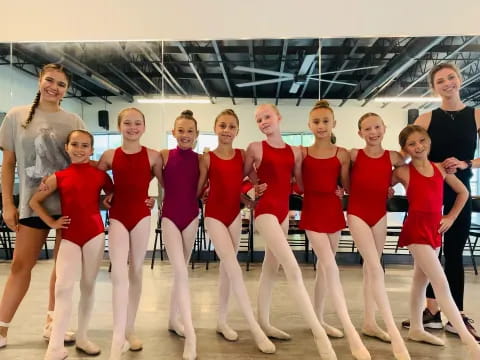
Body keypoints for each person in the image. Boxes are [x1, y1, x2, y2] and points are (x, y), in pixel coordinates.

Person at [0, 63, 85, 348]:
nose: (54, 87)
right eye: (50, 80)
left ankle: (54, 325)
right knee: (20, 266)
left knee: (63, 271)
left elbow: (83, 164)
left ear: (67, 90)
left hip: (68, 205)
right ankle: (1, 329)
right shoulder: (16, 116)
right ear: (40, 81)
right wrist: (8, 205)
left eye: (61, 84)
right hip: (31, 205)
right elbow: (8, 164)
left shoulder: (73, 121)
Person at [244, 104, 336, 360]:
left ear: (278, 117)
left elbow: (301, 184)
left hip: (284, 212)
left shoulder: (294, 151)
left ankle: (264, 321)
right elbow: (239, 175)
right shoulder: (255, 147)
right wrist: (251, 192)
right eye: (259, 119)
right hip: (265, 212)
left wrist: (333, 189)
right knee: (292, 267)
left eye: (267, 117)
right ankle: (319, 335)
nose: (263, 122)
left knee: (270, 268)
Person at [406, 63, 480, 341]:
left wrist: (465, 163)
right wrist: (435, 165)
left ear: (459, 80)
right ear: (433, 88)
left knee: (454, 253)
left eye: (451, 78)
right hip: (430, 193)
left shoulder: (476, 116)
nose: (447, 83)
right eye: (440, 81)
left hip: (459, 193)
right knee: (429, 254)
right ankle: (432, 311)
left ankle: (456, 314)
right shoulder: (426, 119)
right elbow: (411, 153)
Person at [393, 125, 480, 358]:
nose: (418, 146)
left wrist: (450, 217)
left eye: (422, 141)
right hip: (415, 231)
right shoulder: (403, 171)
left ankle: (416, 328)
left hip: (435, 231)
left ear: (429, 141)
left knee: (420, 282)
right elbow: (380, 184)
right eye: (412, 144)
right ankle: (467, 338)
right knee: (440, 281)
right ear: (405, 149)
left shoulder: (440, 169)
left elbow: (463, 193)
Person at [29, 129, 113, 360]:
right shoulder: (58, 177)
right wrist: (51, 222)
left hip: (94, 234)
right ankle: (55, 346)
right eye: (75, 144)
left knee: (88, 286)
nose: (79, 149)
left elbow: (113, 196)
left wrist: (110, 200)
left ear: (91, 149)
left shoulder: (100, 175)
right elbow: (34, 202)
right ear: (66, 147)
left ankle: (83, 337)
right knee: (63, 287)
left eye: (84, 145)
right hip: (69, 235)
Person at [199, 109, 275, 354]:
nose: (226, 130)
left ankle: (222, 320)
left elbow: (253, 181)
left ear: (237, 131)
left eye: (231, 127)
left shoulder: (242, 155)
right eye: (222, 126)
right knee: (233, 266)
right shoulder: (208, 157)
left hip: (234, 215)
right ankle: (254, 327)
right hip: (214, 216)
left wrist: (251, 197)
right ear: (215, 127)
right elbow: (199, 187)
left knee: (226, 270)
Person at [299, 100, 370, 359]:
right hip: (312, 212)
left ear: (333, 124)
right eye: (316, 122)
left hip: (333, 210)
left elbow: (349, 184)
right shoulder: (302, 152)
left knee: (322, 269)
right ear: (310, 125)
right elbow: (295, 180)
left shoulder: (342, 153)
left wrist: (382, 187)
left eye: (325, 121)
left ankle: (317, 319)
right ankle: (350, 329)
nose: (321, 126)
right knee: (330, 266)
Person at [97, 108, 162, 360]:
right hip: (118, 218)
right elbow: (95, 179)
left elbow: (167, 186)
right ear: (119, 125)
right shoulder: (110, 155)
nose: (132, 127)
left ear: (144, 127)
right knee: (119, 274)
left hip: (141, 217)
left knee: (136, 271)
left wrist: (156, 202)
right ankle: (118, 332)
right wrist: (106, 196)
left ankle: (129, 328)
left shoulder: (154, 156)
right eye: (127, 123)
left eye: (137, 123)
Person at [347, 112, 410, 359]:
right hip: (357, 214)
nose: (373, 132)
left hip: (379, 215)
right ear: (360, 133)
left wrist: (393, 182)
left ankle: (369, 322)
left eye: (376, 127)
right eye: (367, 129)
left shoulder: (394, 156)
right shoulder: (354, 154)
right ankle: (391, 328)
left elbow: (410, 164)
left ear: (384, 128)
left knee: (369, 269)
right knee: (375, 267)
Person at [161, 110, 201, 360]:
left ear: (196, 135)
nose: (185, 135)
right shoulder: (163, 156)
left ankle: (172, 319)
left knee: (181, 270)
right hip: (170, 217)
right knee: (180, 271)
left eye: (190, 131)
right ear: (174, 132)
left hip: (191, 216)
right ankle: (191, 334)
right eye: (181, 130)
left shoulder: (202, 160)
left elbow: (203, 187)